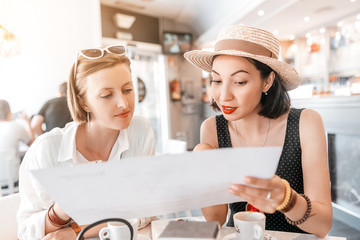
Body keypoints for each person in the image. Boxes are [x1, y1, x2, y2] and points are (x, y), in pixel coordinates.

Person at [184, 25, 332, 238]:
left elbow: (323, 225)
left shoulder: (305, 122)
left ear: (267, 81)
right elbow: (215, 220)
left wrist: (286, 199)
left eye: (239, 82)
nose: (224, 96)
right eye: (216, 80)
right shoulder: (212, 129)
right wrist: (204, 178)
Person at [17, 45, 156, 239]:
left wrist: (75, 232)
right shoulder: (47, 149)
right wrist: (59, 212)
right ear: (84, 102)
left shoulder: (140, 130)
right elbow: (25, 232)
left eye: (127, 89)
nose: (124, 103)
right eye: (107, 95)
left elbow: (147, 208)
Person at [0, 100, 34, 189]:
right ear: (9, 113)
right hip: (13, 181)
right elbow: (33, 145)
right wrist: (28, 122)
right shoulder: (16, 126)